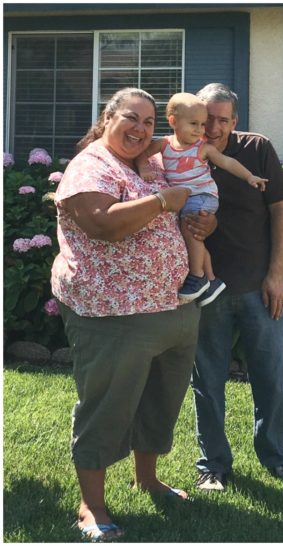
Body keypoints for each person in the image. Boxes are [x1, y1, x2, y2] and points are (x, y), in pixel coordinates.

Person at [51, 88, 196, 542]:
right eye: (131, 118)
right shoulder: (90, 166)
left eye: (150, 122)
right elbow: (104, 225)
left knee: (160, 400)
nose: (140, 129)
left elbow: (178, 198)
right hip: (113, 311)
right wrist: (161, 203)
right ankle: (91, 506)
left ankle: (148, 479)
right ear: (107, 118)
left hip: (171, 305)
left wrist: (194, 221)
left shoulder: (149, 163)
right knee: (107, 406)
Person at [182, 83, 283, 490]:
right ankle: (212, 464)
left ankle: (275, 457)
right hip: (206, 288)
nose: (212, 127)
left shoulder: (256, 149)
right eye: (206, 118)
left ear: (235, 121)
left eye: (222, 119)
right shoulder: (180, 151)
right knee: (208, 381)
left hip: (257, 285)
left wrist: (275, 273)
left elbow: (280, 212)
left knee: (271, 376)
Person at [137, 92, 268, 305]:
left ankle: (197, 277)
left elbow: (227, 163)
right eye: (194, 124)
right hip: (186, 199)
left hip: (202, 196)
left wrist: (249, 177)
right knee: (195, 238)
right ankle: (212, 279)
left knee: (190, 233)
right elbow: (143, 154)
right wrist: (143, 166)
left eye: (202, 124)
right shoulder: (164, 144)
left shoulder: (202, 148)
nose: (200, 130)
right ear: (173, 121)